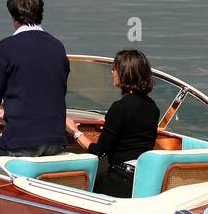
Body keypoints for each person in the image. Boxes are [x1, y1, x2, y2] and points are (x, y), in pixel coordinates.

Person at [0, 0, 70, 158]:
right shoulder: (58, 47)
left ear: (13, 17)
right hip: (56, 141)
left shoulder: (6, 48)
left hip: (20, 143)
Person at [66, 49, 159, 197]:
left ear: (124, 72)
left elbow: (98, 151)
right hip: (143, 177)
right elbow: (134, 133)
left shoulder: (120, 107)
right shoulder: (152, 107)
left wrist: (74, 131)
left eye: (114, 68)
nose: (112, 72)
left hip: (120, 180)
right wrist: (111, 123)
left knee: (73, 189)